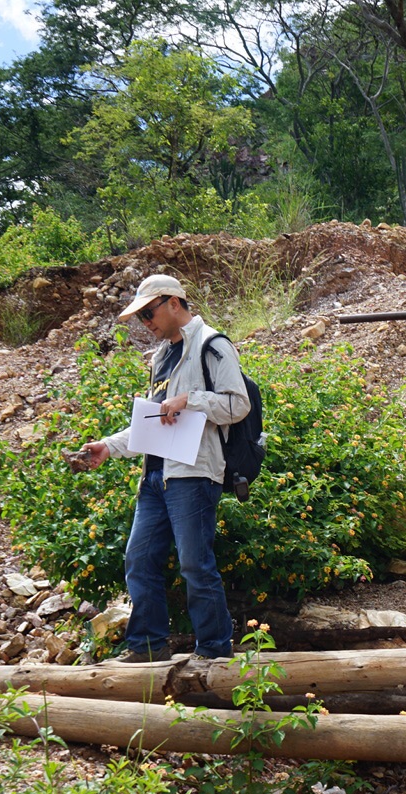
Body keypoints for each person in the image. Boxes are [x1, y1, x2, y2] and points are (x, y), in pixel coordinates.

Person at [80, 273, 250, 662]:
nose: (146, 323)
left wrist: (190, 399)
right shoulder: (161, 357)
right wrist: (109, 446)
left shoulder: (213, 344)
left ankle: (214, 652)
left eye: (148, 313)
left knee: (195, 564)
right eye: (140, 318)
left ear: (174, 302)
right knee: (139, 561)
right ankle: (147, 647)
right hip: (155, 477)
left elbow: (238, 405)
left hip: (193, 475)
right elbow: (155, 420)